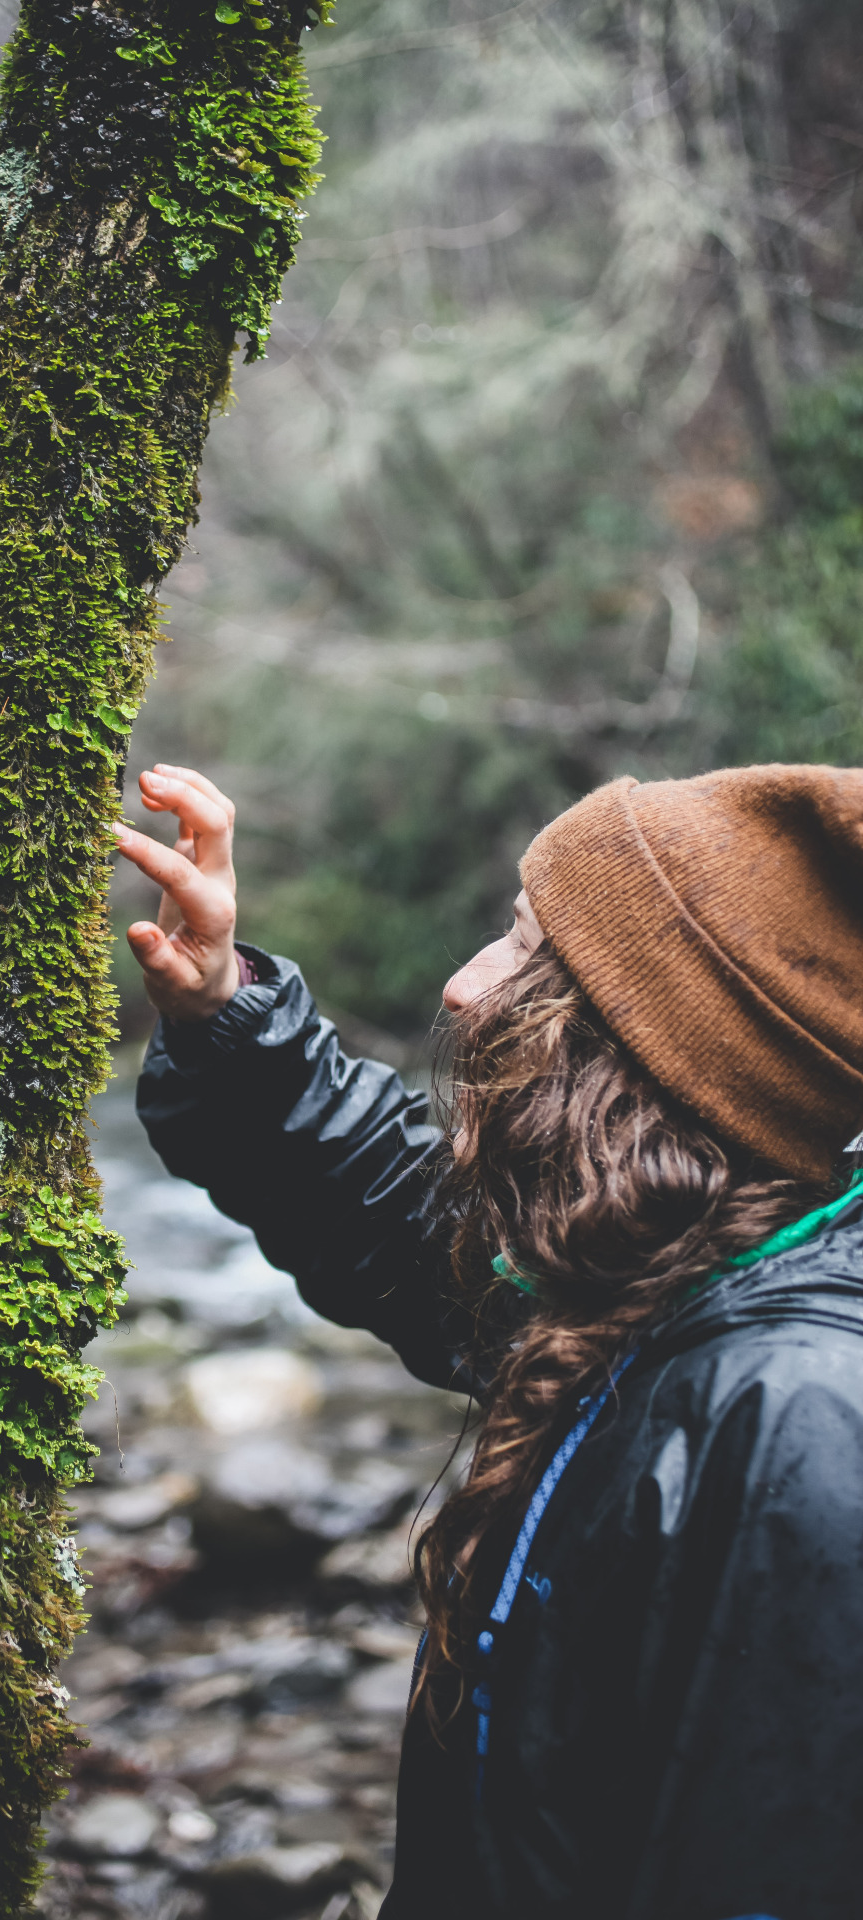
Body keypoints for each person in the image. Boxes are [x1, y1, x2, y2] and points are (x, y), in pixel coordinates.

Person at [114, 761, 863, 1920]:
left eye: (522, 951)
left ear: (653, 1040)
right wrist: (225, 1011)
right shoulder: (671, 1274)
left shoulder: (797, 1413)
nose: (465, 989)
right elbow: (410, 1233)